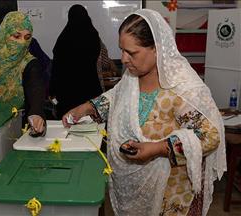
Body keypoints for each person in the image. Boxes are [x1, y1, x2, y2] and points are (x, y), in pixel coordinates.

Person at [62, 9, 225, 216]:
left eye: (132, 53)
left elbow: (210, 136)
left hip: (172, 195)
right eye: (121, 50)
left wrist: (158, 148)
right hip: (134, 190)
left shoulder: (181, 88)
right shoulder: (131, 79)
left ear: (157, 48)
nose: (124, 59)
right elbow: (115, 97)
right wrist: (86, 108)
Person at [0, 11, 46, 136]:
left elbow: (36, 88)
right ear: (4, 34)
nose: (22, 42)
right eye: (16, 36)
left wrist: (36, 113)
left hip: (15, 129)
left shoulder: (29, 63)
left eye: (27, 38)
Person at [49, 4, 102, 118]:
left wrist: (51, 90)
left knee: (68, 125)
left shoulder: (64, 38)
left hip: (67, 91)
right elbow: (96, 57)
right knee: (92, 129)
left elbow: (56, 67)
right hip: (89, 88)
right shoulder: (92, 35)